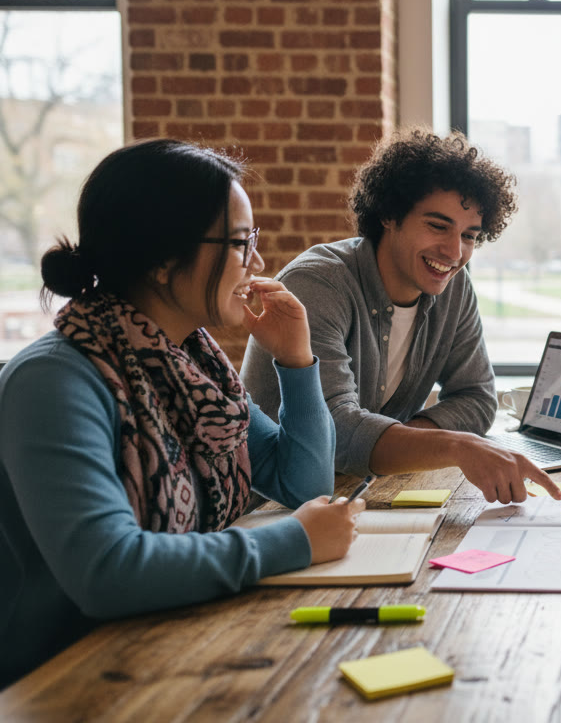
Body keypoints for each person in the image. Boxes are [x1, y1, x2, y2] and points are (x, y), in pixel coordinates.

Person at [0, 140, 356, 688]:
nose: (257, 263)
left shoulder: (191, 365)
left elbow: (302, 482)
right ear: (164, 260)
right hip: (65, 677)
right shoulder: (55, 381)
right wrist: (295, 541)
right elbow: (107, 572)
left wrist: (297, 359)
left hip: (177, 643)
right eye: (240, 243)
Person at [240, 129, 561, 504]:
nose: (455, 252)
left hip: (360, 495)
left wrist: (409, 442)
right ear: (390, 215)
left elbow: (477, 397)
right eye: (438, 226)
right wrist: (453, 446)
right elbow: (335, 432)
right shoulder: (317, 283)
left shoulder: (453, 288)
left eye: (470, 236)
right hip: (270, 507)